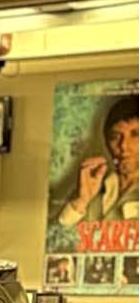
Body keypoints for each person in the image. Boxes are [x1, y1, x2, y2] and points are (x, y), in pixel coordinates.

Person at [59, 92, 139, 226]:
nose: (123, 146)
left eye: (135, 135)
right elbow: (58, 233)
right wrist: (82, 201)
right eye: (115, 137)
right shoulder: (94, 185)